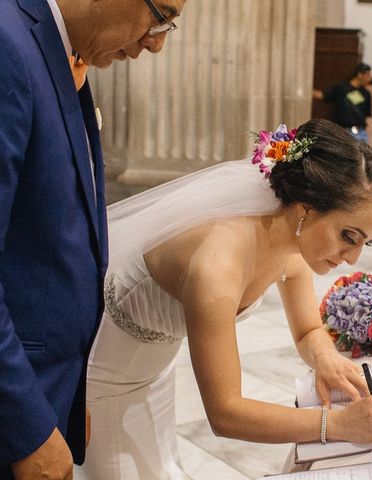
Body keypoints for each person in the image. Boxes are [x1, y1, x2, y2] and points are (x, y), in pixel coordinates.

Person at [76, 119, 372, 479]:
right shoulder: (217, 267)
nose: (352, 258)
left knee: (162, 468)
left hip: (154, 368)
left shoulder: (293, 246)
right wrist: (337, 424)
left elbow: (308, 330)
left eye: (363, 243)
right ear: (305, 208)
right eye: (349, 236)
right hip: (101, 376)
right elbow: (225, 413)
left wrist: (326, 357)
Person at [0, 0, 187, 478]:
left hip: (46, 388)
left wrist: (66, 394)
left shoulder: (55, 49)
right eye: (159, 16)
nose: (157, 42)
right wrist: (27, 429)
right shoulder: (8, 45)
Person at [313, 63, 372, 142]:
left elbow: (367, 113)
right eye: (368, 75)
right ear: (360, 75)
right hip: (343, 131)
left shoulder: (366, 93)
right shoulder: (341, 88)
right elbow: (324, 96)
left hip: (360, 131)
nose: (370, 78)